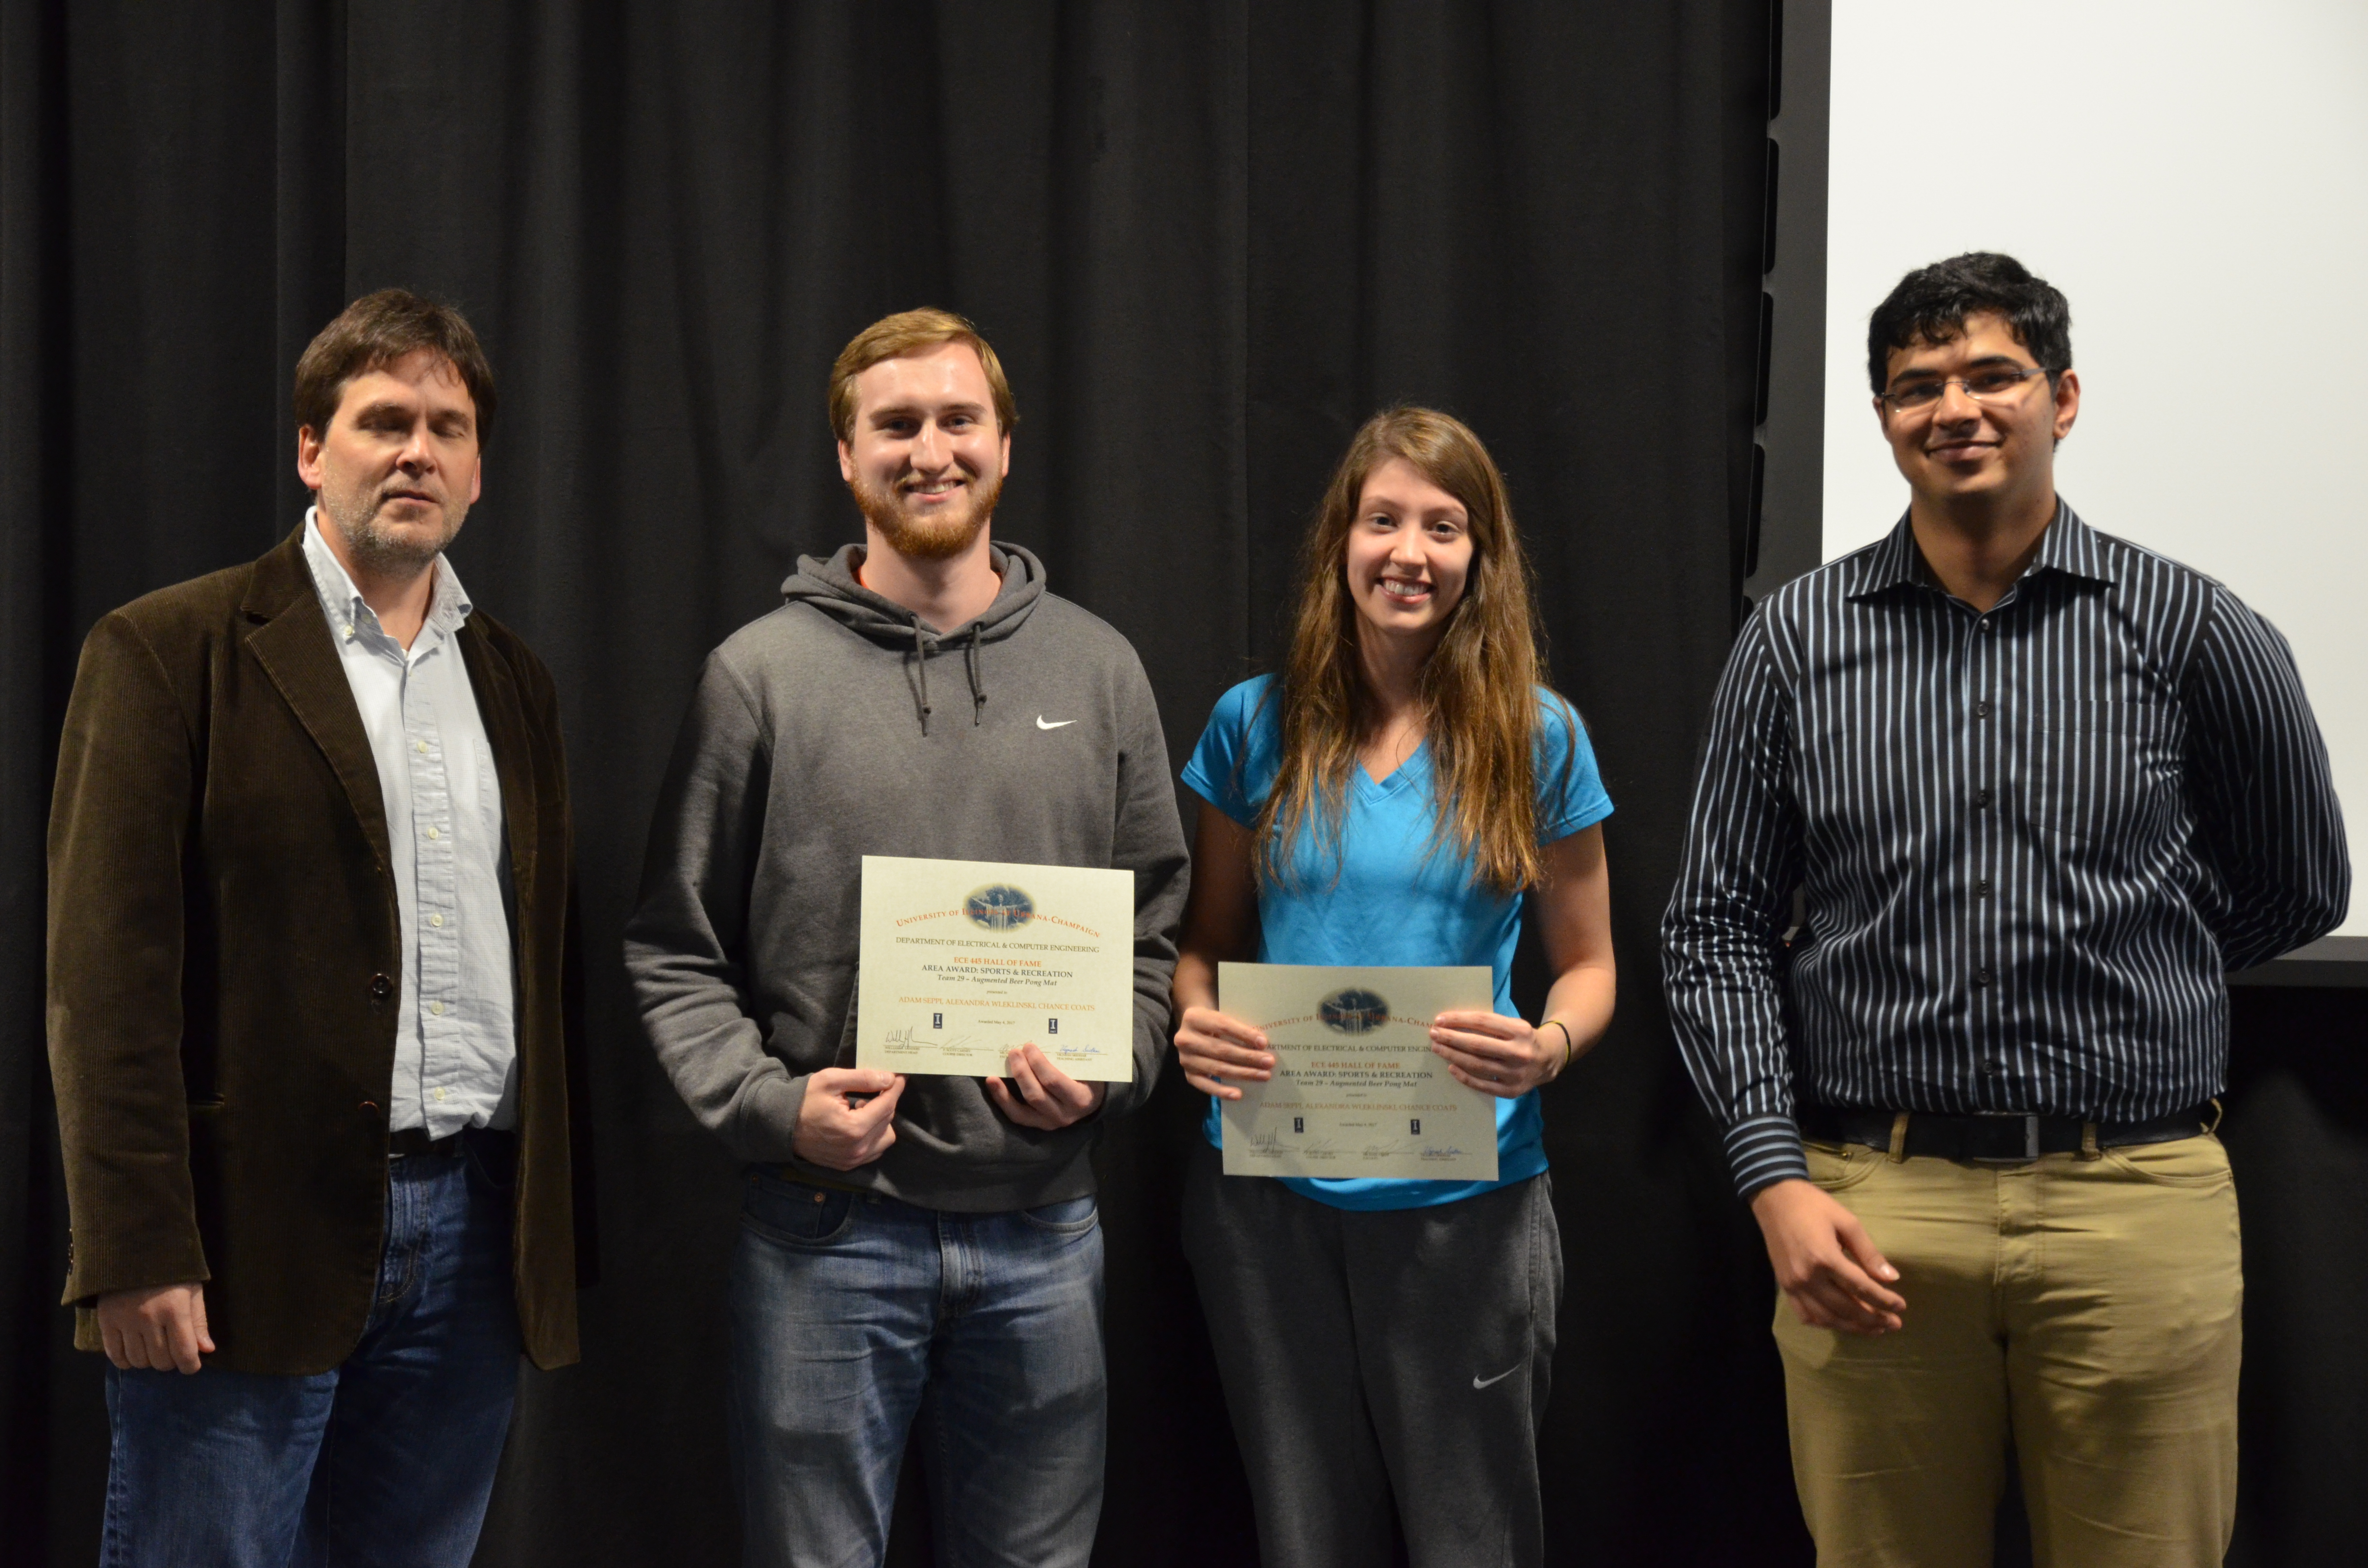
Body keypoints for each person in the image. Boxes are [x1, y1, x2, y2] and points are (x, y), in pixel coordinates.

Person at [1662, 252, 2350, 1568]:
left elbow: (2302, 880)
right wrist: (1774, 1182)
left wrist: (2147, 960)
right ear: (1882, 419)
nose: (1955, 408)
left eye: (1993, 374)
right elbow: (1715, 926)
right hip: (1872, 1205)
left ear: (2064, 397)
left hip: (2135, 1203)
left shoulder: (2191, 626)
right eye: (1917, 385)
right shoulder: (1795, 643)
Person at [624, 307, 1189, 1568]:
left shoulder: (1101, 673)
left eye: (956, 421)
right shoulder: (757, 677)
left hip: (1044, 1228)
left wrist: (1110, 1070)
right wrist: (774, 1109)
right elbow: (673, 946)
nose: (929, 449)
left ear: (1004, 445)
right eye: (896, 425)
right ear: (845, 455)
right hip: (825, 1228)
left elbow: (1155, 932)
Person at [46, 289, 592, 1566]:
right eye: (384, 420)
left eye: (448, 428)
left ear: (477, 470)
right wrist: (133, 1251)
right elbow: (104, 987)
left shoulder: (513, 679)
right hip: (243, 1244)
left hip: (473, 1238)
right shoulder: (171, 651)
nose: (418, 451)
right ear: (311, 449)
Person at [1170, 407, 1617, 1568]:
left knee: (1472, 1538)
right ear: (1340, 542)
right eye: (1383, 520)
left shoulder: (1538, 735)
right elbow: (1202, 946)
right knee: (1304, 1536)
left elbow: (1591, 966)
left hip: (1466, 1203)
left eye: (1443, 525)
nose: (1408, 551)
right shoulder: (1252, 723)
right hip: (1270, 1204)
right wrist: (1194, 1022)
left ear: (1481, 557)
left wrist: (1549, 1047)